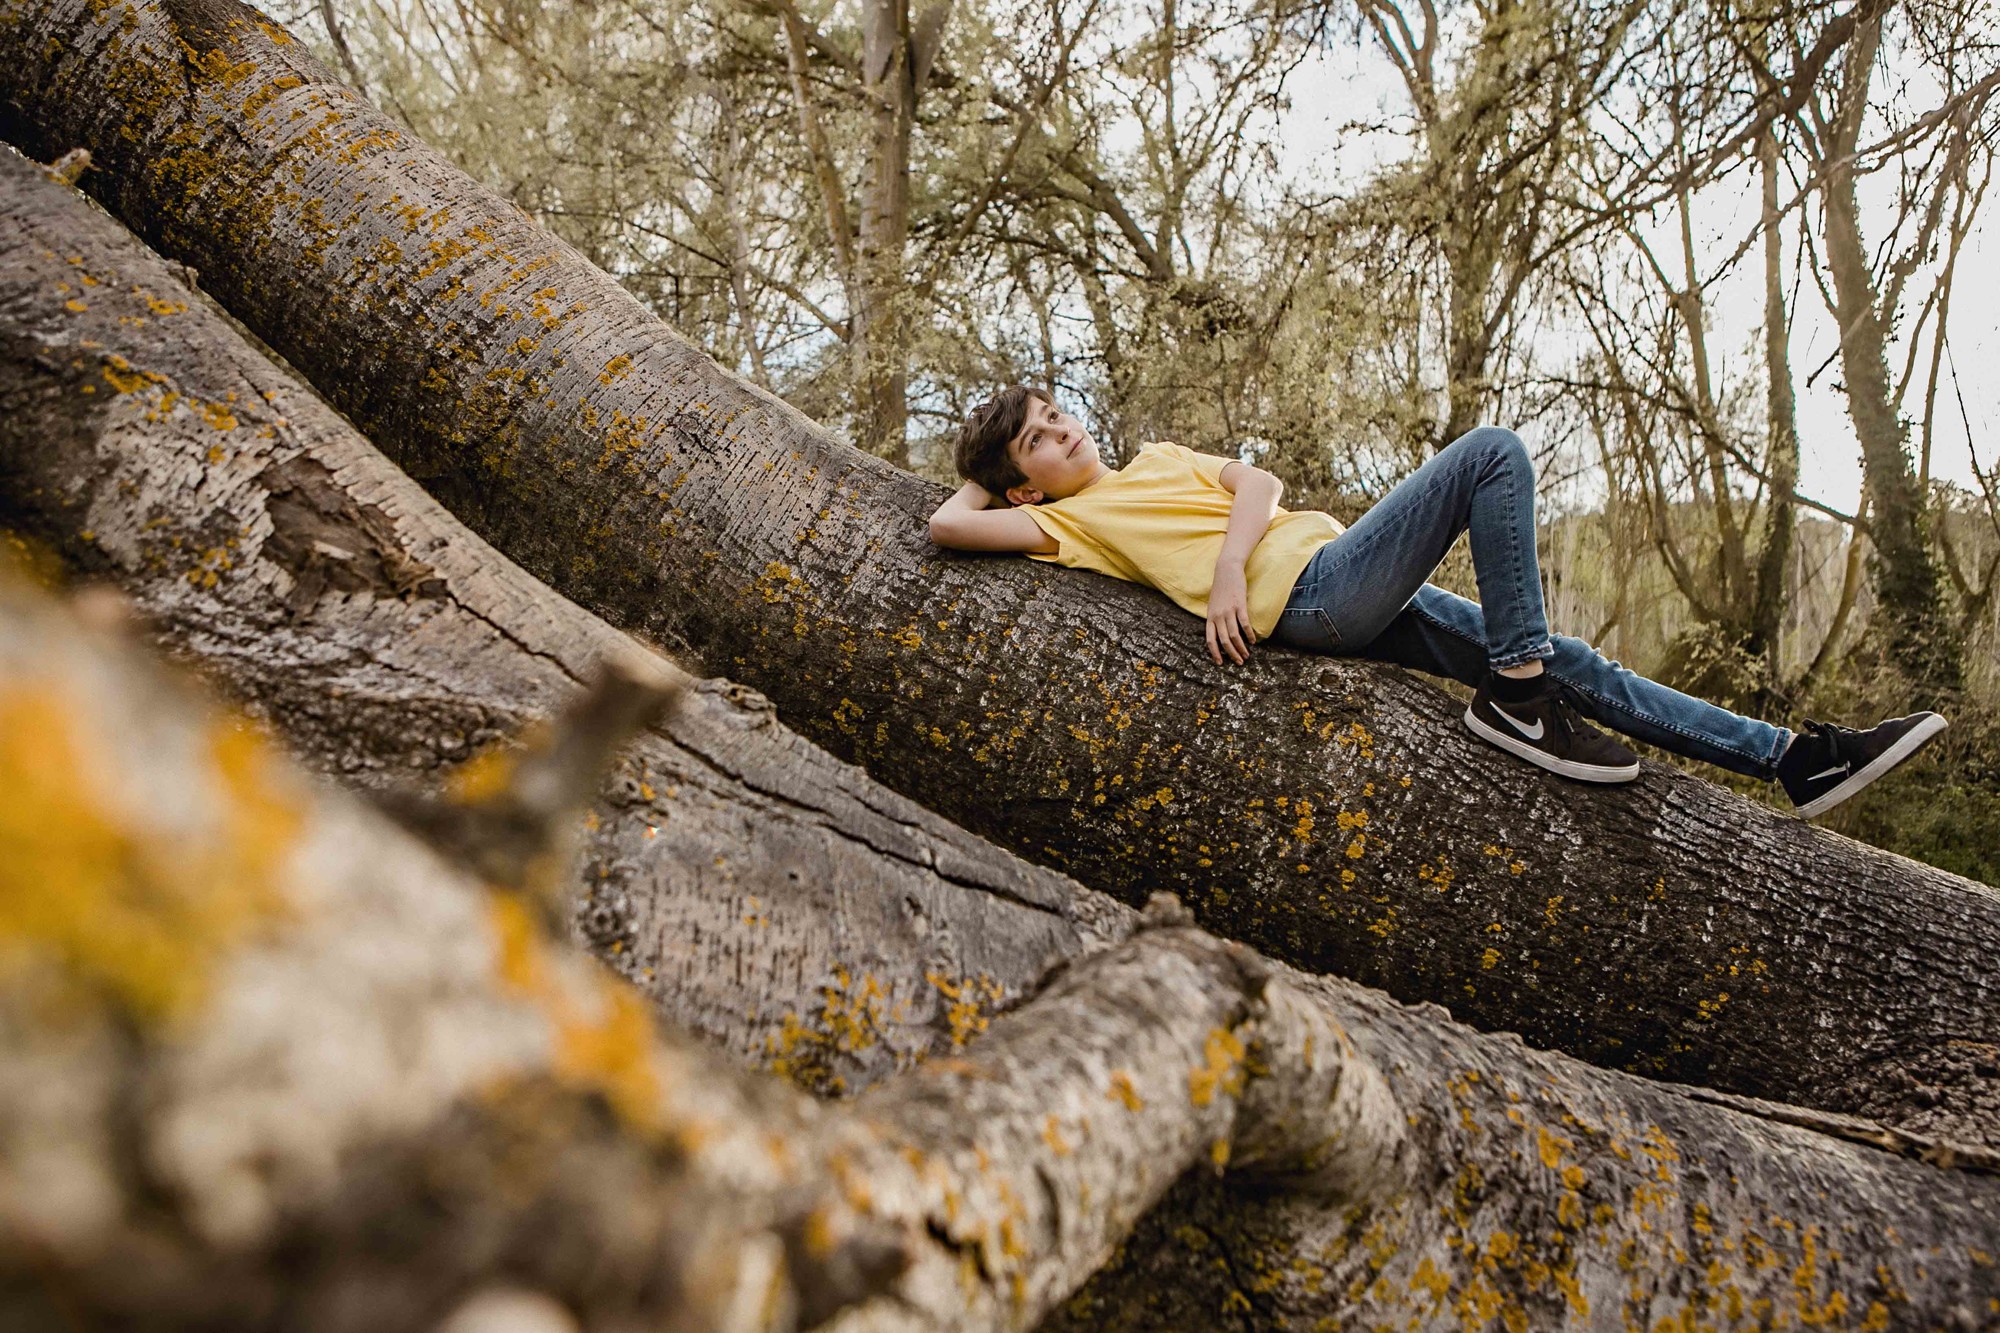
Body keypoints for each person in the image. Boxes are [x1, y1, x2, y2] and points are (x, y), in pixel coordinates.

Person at [927, 385, 1946, 817]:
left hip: (1336, 575)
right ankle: (1517, 697)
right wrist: (989, 475)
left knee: (1569, 657)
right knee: (1490, 453)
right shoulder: (1069, 524)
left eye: (1053, 414)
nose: (1060, 432)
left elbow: (1260, 484)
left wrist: (1229, 564)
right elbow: (945, 526)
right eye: (1035, 442)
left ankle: (1791, 759)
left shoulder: (1155, 459)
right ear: (1024, 489)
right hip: (1317, 600)